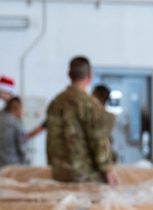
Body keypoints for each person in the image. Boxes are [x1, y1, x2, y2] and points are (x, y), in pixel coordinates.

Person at [47, 56, 114, 184]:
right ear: (90, 75)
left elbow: (51, 140)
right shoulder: (90, 104)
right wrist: (107, 171)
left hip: (60, 174)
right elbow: (98, 140)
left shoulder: (55, 103)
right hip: (85, 175)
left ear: (68, 74)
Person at [0, 95, 28, 173]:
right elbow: (21, 144)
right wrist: (24, 161)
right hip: (13, 163)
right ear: (16, 108)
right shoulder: (16, 123)